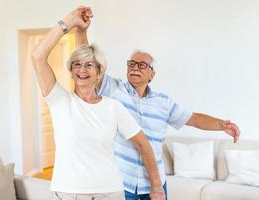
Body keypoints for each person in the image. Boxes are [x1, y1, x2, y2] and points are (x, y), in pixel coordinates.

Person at [71, 10, 241, 200]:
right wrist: (81, 30)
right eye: (131, 64)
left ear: (152, 74)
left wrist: (221, 125)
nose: (135, 67)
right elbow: (87, 61)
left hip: (154, 184)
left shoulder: (163, 102)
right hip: (121, 182)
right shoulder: (113, 90)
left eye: (142, 65)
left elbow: (192, 118)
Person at [31, 6, 164, 200]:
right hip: (69, 193)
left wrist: (157, 186)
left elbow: (143, 144)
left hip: (109, 192)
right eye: (77, 64)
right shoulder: (59, 100)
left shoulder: (113, 106)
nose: (82, 70)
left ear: (99, 71)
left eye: (89, 64)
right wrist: (69, 22)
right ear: (70, 69)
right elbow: (38, 56)